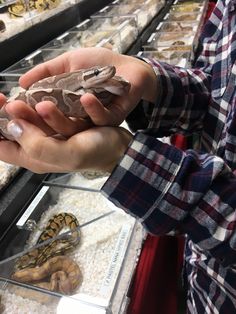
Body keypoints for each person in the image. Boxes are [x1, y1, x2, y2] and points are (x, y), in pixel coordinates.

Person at [0, 0, 236, 312]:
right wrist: (151, 81)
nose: (107, 72)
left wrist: (119, 157)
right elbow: (218, 91)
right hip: (199, 272)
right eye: (97, 73)